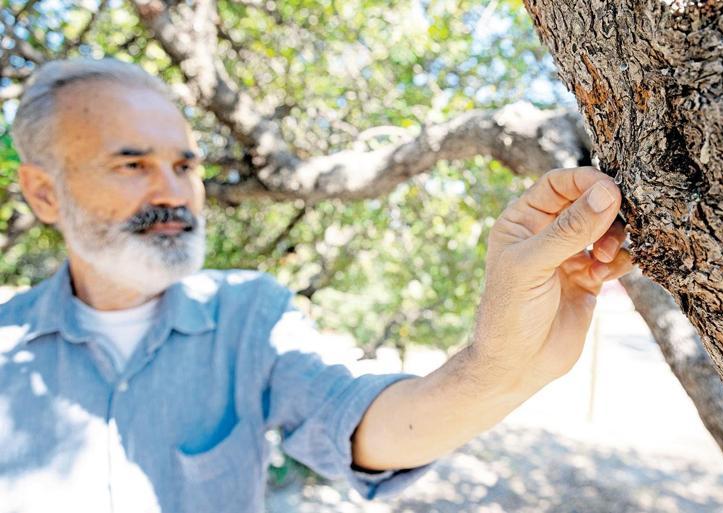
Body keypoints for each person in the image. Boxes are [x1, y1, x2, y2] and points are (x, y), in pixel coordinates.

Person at [0, 58, 632, 513]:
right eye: (132, 164)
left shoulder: (248, 316)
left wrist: (497, 367)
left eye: (185, 164)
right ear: (43, 192)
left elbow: (365, 423)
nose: (174, 191)